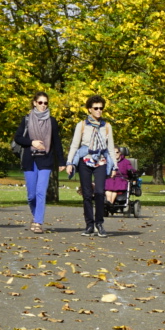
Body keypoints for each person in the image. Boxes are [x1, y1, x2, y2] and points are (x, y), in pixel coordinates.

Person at [63, 95, 115, 237]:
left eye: (101, 108)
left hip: (101, 162)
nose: (99, 111)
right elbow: (74, 146)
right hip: (85, 161)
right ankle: (89, 225)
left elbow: (111, 148)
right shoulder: (82, 125)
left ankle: (99, 223)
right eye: (96, 108)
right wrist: (69, 163)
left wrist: (115, 167)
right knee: (86, 194)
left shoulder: (107, 127)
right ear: (89, 110)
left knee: (99, 192)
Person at [14, 92, 63, 233]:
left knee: (41, 191)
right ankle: (36, 215)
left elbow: (57, 142)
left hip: (46, 160)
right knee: (31, 195)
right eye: (40, 102)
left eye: (45, 103)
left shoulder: (52, 121)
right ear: (34, 103)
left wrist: (62, 162)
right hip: (29, 160)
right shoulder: (27, 119)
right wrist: (32, 142)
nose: (43, 105)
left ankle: (38, 222)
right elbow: (17, 138)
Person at [103, 146, 135, 214]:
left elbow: (131, 169)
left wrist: (132, 171)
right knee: (109, 188)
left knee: (114, 188)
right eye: (113, 153)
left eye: (117, 152)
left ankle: (110, 204)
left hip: (121, 179)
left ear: (120, 153)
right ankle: (109, 204)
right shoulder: (108, 161)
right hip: (110, 178)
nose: (115, 154)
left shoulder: (126, 161)